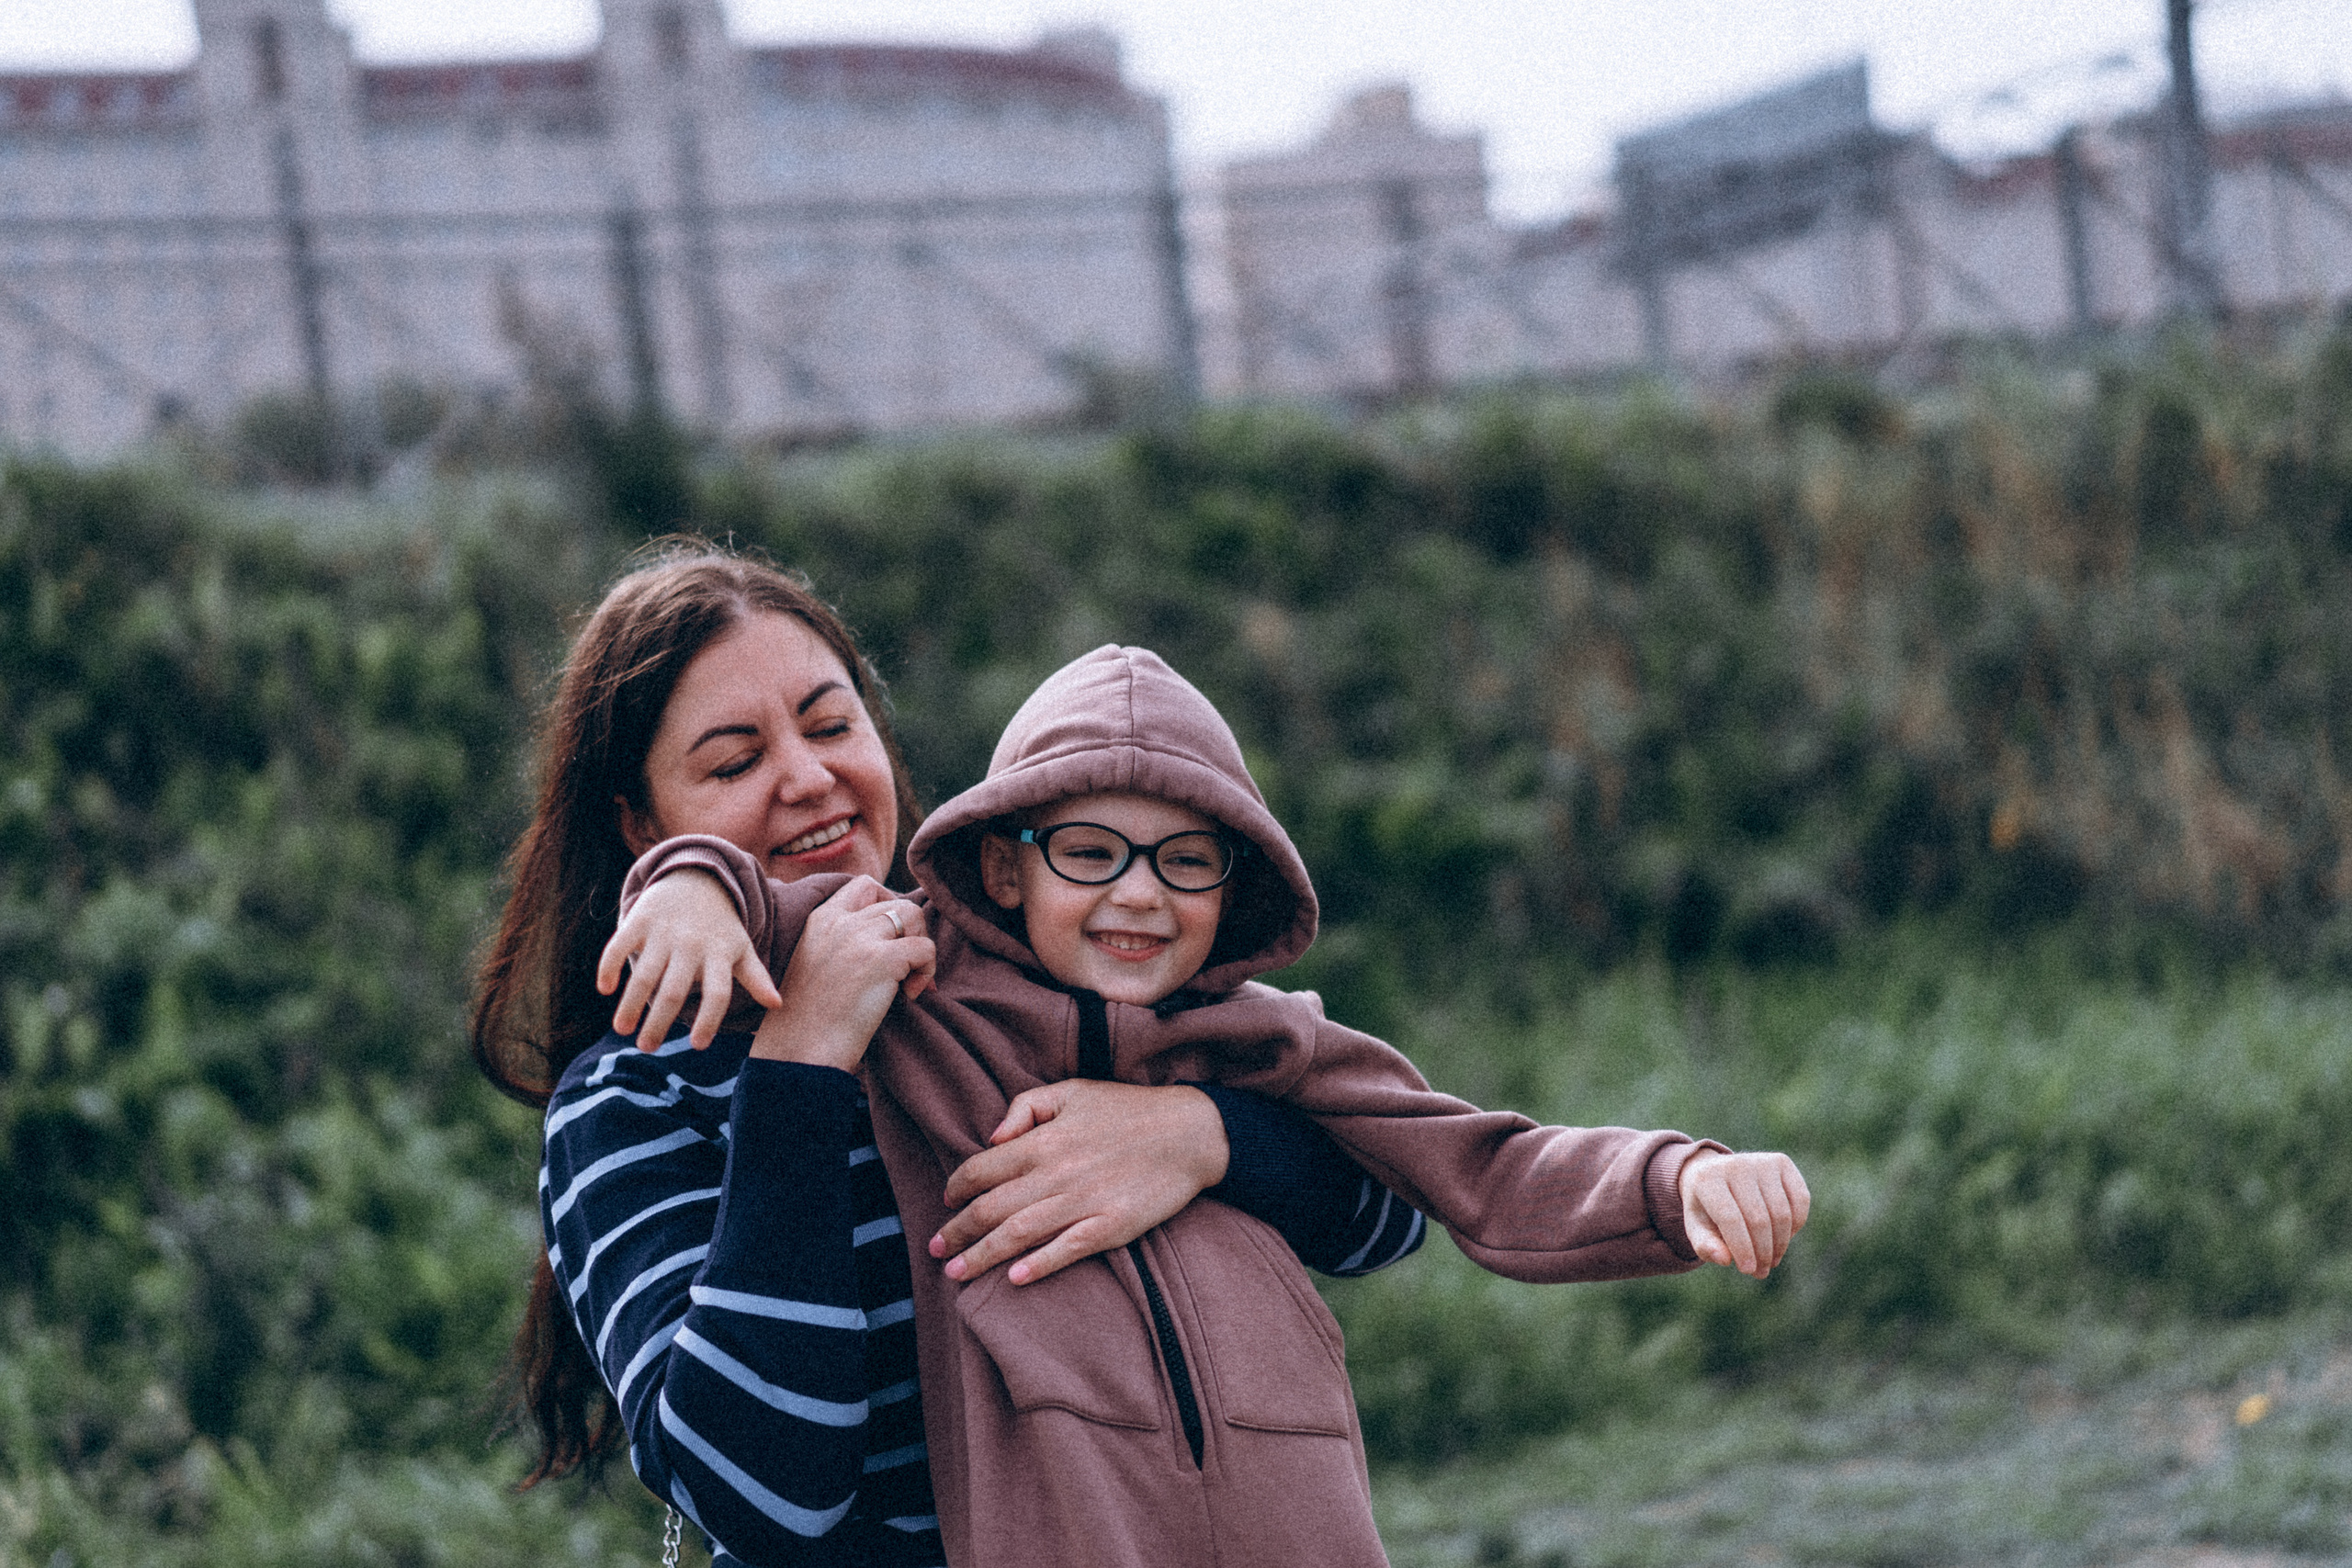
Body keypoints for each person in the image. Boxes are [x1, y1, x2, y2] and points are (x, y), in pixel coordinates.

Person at [616, 642, 1813, 1568]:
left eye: (1186, 857)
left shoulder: (1269, 1037)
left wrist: (1677, 1179)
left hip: (1296, 1500)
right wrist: (683, 884)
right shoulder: (919, 984)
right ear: (1004, 862)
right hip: (1060, 1505)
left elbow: (1470, 1160)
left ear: (1234, 882)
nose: (1139, 893)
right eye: (1092, 848)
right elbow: (777, 908)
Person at [470, 547, 1426, 1568]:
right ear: (641, 825)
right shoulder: (638, 1095)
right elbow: (758, 1496)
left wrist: (1206, 1139)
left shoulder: (1031, 991)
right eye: (733, 761)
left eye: (833, 726)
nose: (807, 777)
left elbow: (1394, 1210)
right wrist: (798, 1067)